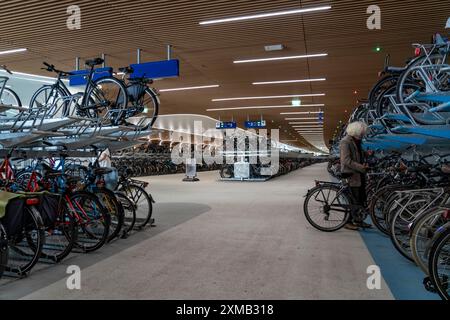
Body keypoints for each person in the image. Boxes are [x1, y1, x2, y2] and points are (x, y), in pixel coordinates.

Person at [339, 121, 372, 231]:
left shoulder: (356, 141)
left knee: (360, 199)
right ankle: (347, 222)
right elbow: (346, 160)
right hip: (351, 175)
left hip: (359, 174)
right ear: (356, 132)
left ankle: (358, 220)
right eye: (361, 133)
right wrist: (361, 167)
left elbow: (358, 153)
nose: (362, 135)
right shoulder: (345, 142)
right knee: (352, 200)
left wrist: (367, 153)